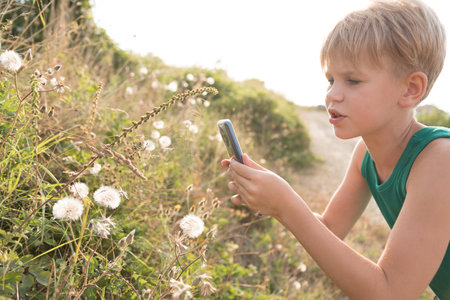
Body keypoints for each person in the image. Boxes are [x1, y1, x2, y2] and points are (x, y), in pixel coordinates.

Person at [221, 0, 449, 299]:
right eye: (331, 80)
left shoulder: (439, 159)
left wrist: (287, 205)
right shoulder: (364, 153)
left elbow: (391, 293)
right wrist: (273, 201)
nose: (332, 95)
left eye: (352, 80)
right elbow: (329, 229)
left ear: (410, 89)